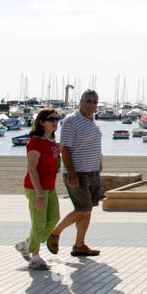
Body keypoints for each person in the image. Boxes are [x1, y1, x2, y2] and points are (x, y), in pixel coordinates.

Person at [48, 90, 102, 257]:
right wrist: (71, 173)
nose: (91, 105)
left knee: (87, 210)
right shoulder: (71, 121)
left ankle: (79, 245)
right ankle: (55, 233)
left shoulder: (92, 122)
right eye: (88, 101)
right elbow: (65, 148)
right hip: (78, 172)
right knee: (82, 208)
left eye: (94, 101)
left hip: (93, 171)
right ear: (80, 101)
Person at [16, 108, 62, 271]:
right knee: (39, 223)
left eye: (57, 119)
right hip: (37, 188)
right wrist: (39, 193)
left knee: (53, 219)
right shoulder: (35, 142)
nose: (55, 122)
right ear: (41, 122)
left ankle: (27, 244)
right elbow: (32, 168)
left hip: (50, 186)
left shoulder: (51, 140)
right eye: (51, 119)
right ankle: (34, 257)